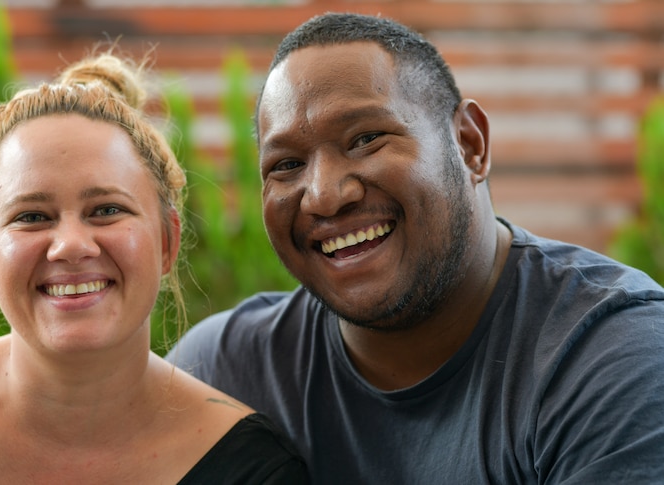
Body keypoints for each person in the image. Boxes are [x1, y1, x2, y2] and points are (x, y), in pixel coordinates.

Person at [167, 12, 664, 484]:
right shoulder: (224, 374)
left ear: (470, 145)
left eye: (366, 138)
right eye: (286, 165)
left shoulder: (613, 357)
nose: (322, 194)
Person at [0, 51, 308, 484]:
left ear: (167, 241)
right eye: (31, 217)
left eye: (106, 210)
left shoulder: (253, 468)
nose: (69, 245)